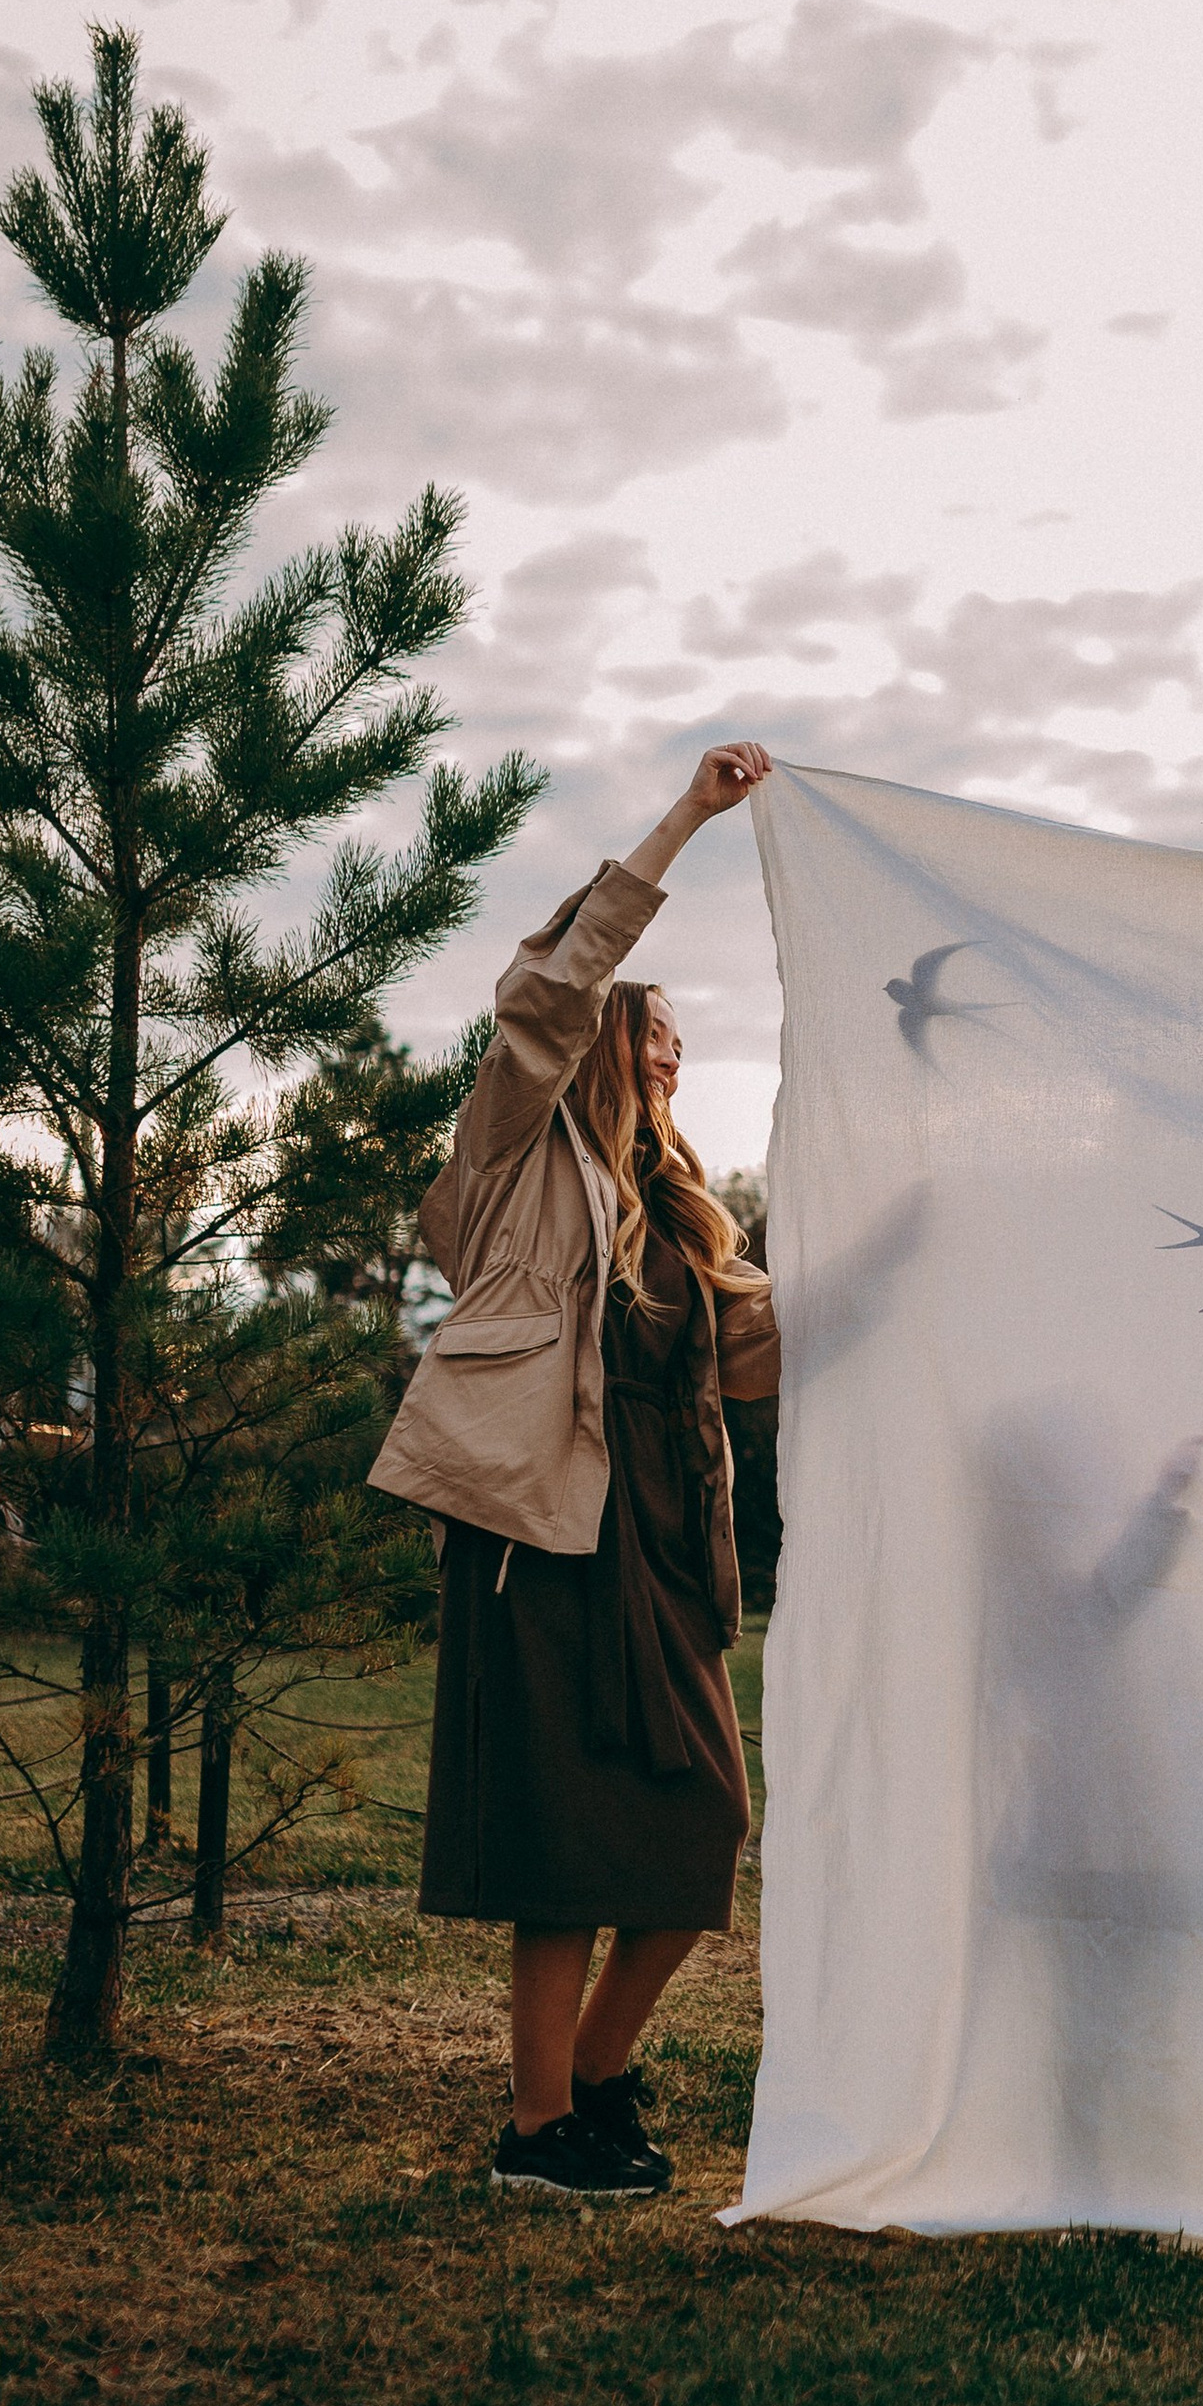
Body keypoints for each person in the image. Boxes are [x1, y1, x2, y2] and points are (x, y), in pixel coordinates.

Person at [370, 744, 781, 2199]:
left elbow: (755, 1365)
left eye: (678, 1038)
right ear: (602, 1033)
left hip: (667, 1558)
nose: (670, 1051)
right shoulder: (513, 1157)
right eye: (650, 1026)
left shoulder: (683, 1214)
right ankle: (540, 2129)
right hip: (544, 1537)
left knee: (705, 1822)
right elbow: (546, 991)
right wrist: (691, 819)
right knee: (561, 1846)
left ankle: (600, 2075)